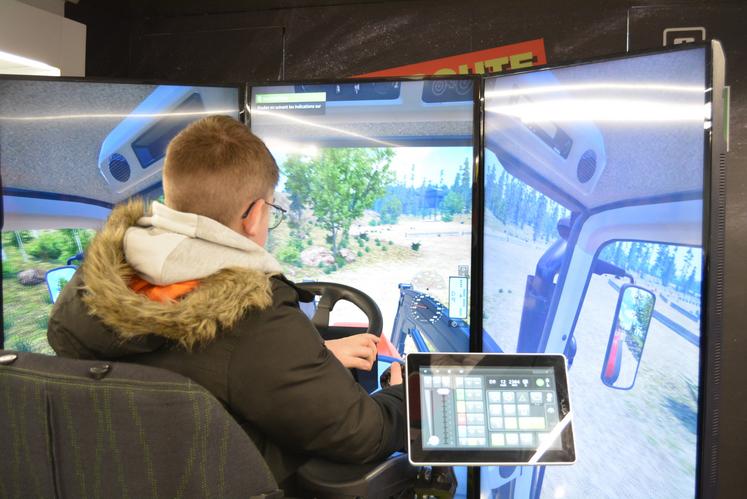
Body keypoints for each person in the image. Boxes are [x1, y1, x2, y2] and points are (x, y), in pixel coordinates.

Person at [47, 115, 405, 489]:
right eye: (272, 209)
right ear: (253, 216)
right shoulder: (256, 319)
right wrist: (402, 394)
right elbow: (364, 434)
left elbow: (206, 371)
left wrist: (313, 355)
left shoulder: (90, 290)